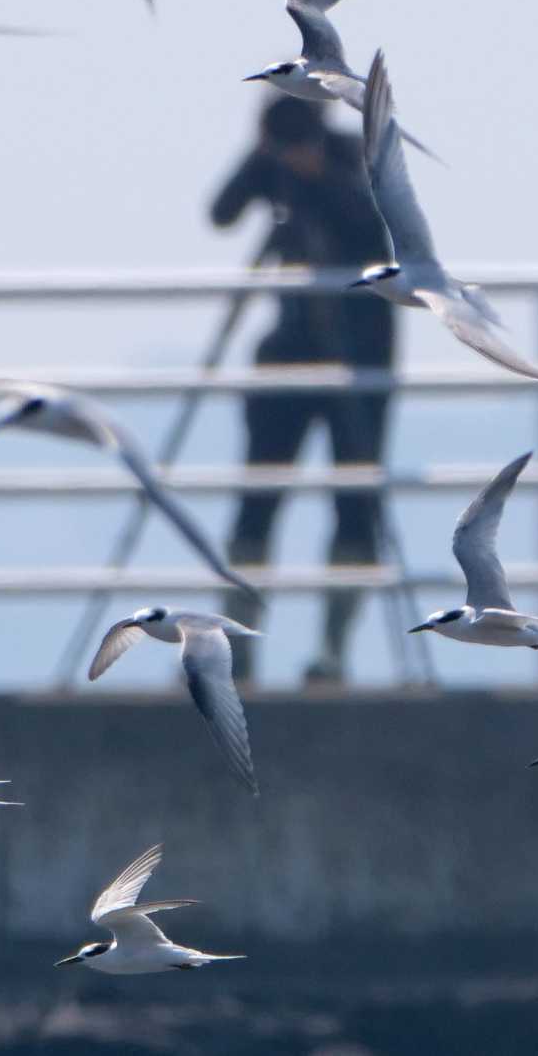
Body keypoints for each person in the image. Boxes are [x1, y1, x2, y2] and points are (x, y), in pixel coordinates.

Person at [210, 95, 395, 685]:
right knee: (258, 498)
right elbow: (221, 212)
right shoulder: (273, 167)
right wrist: (262, 160)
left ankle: (333, 651)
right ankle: (239, 649)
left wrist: (321, 178)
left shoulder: (355, 158)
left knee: (354, 504)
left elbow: (376, 235)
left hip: (358, 349)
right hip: (289, 349)